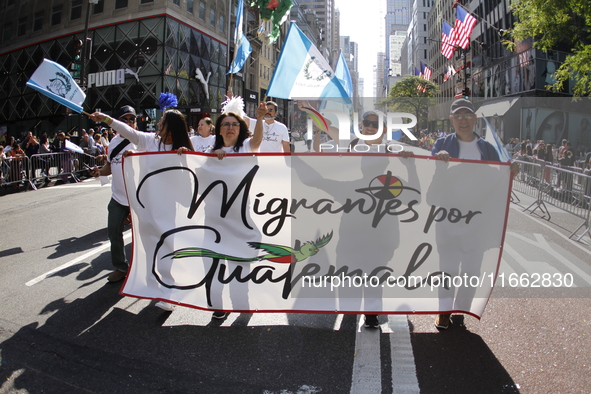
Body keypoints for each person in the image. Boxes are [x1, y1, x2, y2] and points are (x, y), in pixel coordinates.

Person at [88, 106, 194, 311]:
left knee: (167, 246)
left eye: (163, 119)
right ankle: (152, 283)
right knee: (149, 246)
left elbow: (198, 169)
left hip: (169, 207)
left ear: (171, 126)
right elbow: (129, 132)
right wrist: (106, 118)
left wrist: (186, 157)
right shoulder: (150, 141)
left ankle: (169, 294)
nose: (159, 122)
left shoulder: (183, 147)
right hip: (147, 206)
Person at [431, 98, 518, 330]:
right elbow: (429, 176)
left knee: (471, 269)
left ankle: (459, 312)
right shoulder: (442, 145)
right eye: (458, 116)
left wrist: (511, 172)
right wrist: (437, 162)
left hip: (477, 219)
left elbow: (498, 179)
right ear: (451, 120)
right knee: (448, 267)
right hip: (448, 216)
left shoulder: (487, 149)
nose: (463, 120)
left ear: (475, 119)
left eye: (467, 115)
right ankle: (444, 312)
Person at [89, 106, 138, 284]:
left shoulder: (142, 140)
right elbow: (109, 166)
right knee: (113, 232)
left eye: (132, 119)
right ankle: (121, 267)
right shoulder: (113, 143)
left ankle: (143, 268)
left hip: (138, 200)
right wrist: (99, 173)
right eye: (125, 119)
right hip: (118, 198)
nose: (129, 123)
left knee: (143, 236)